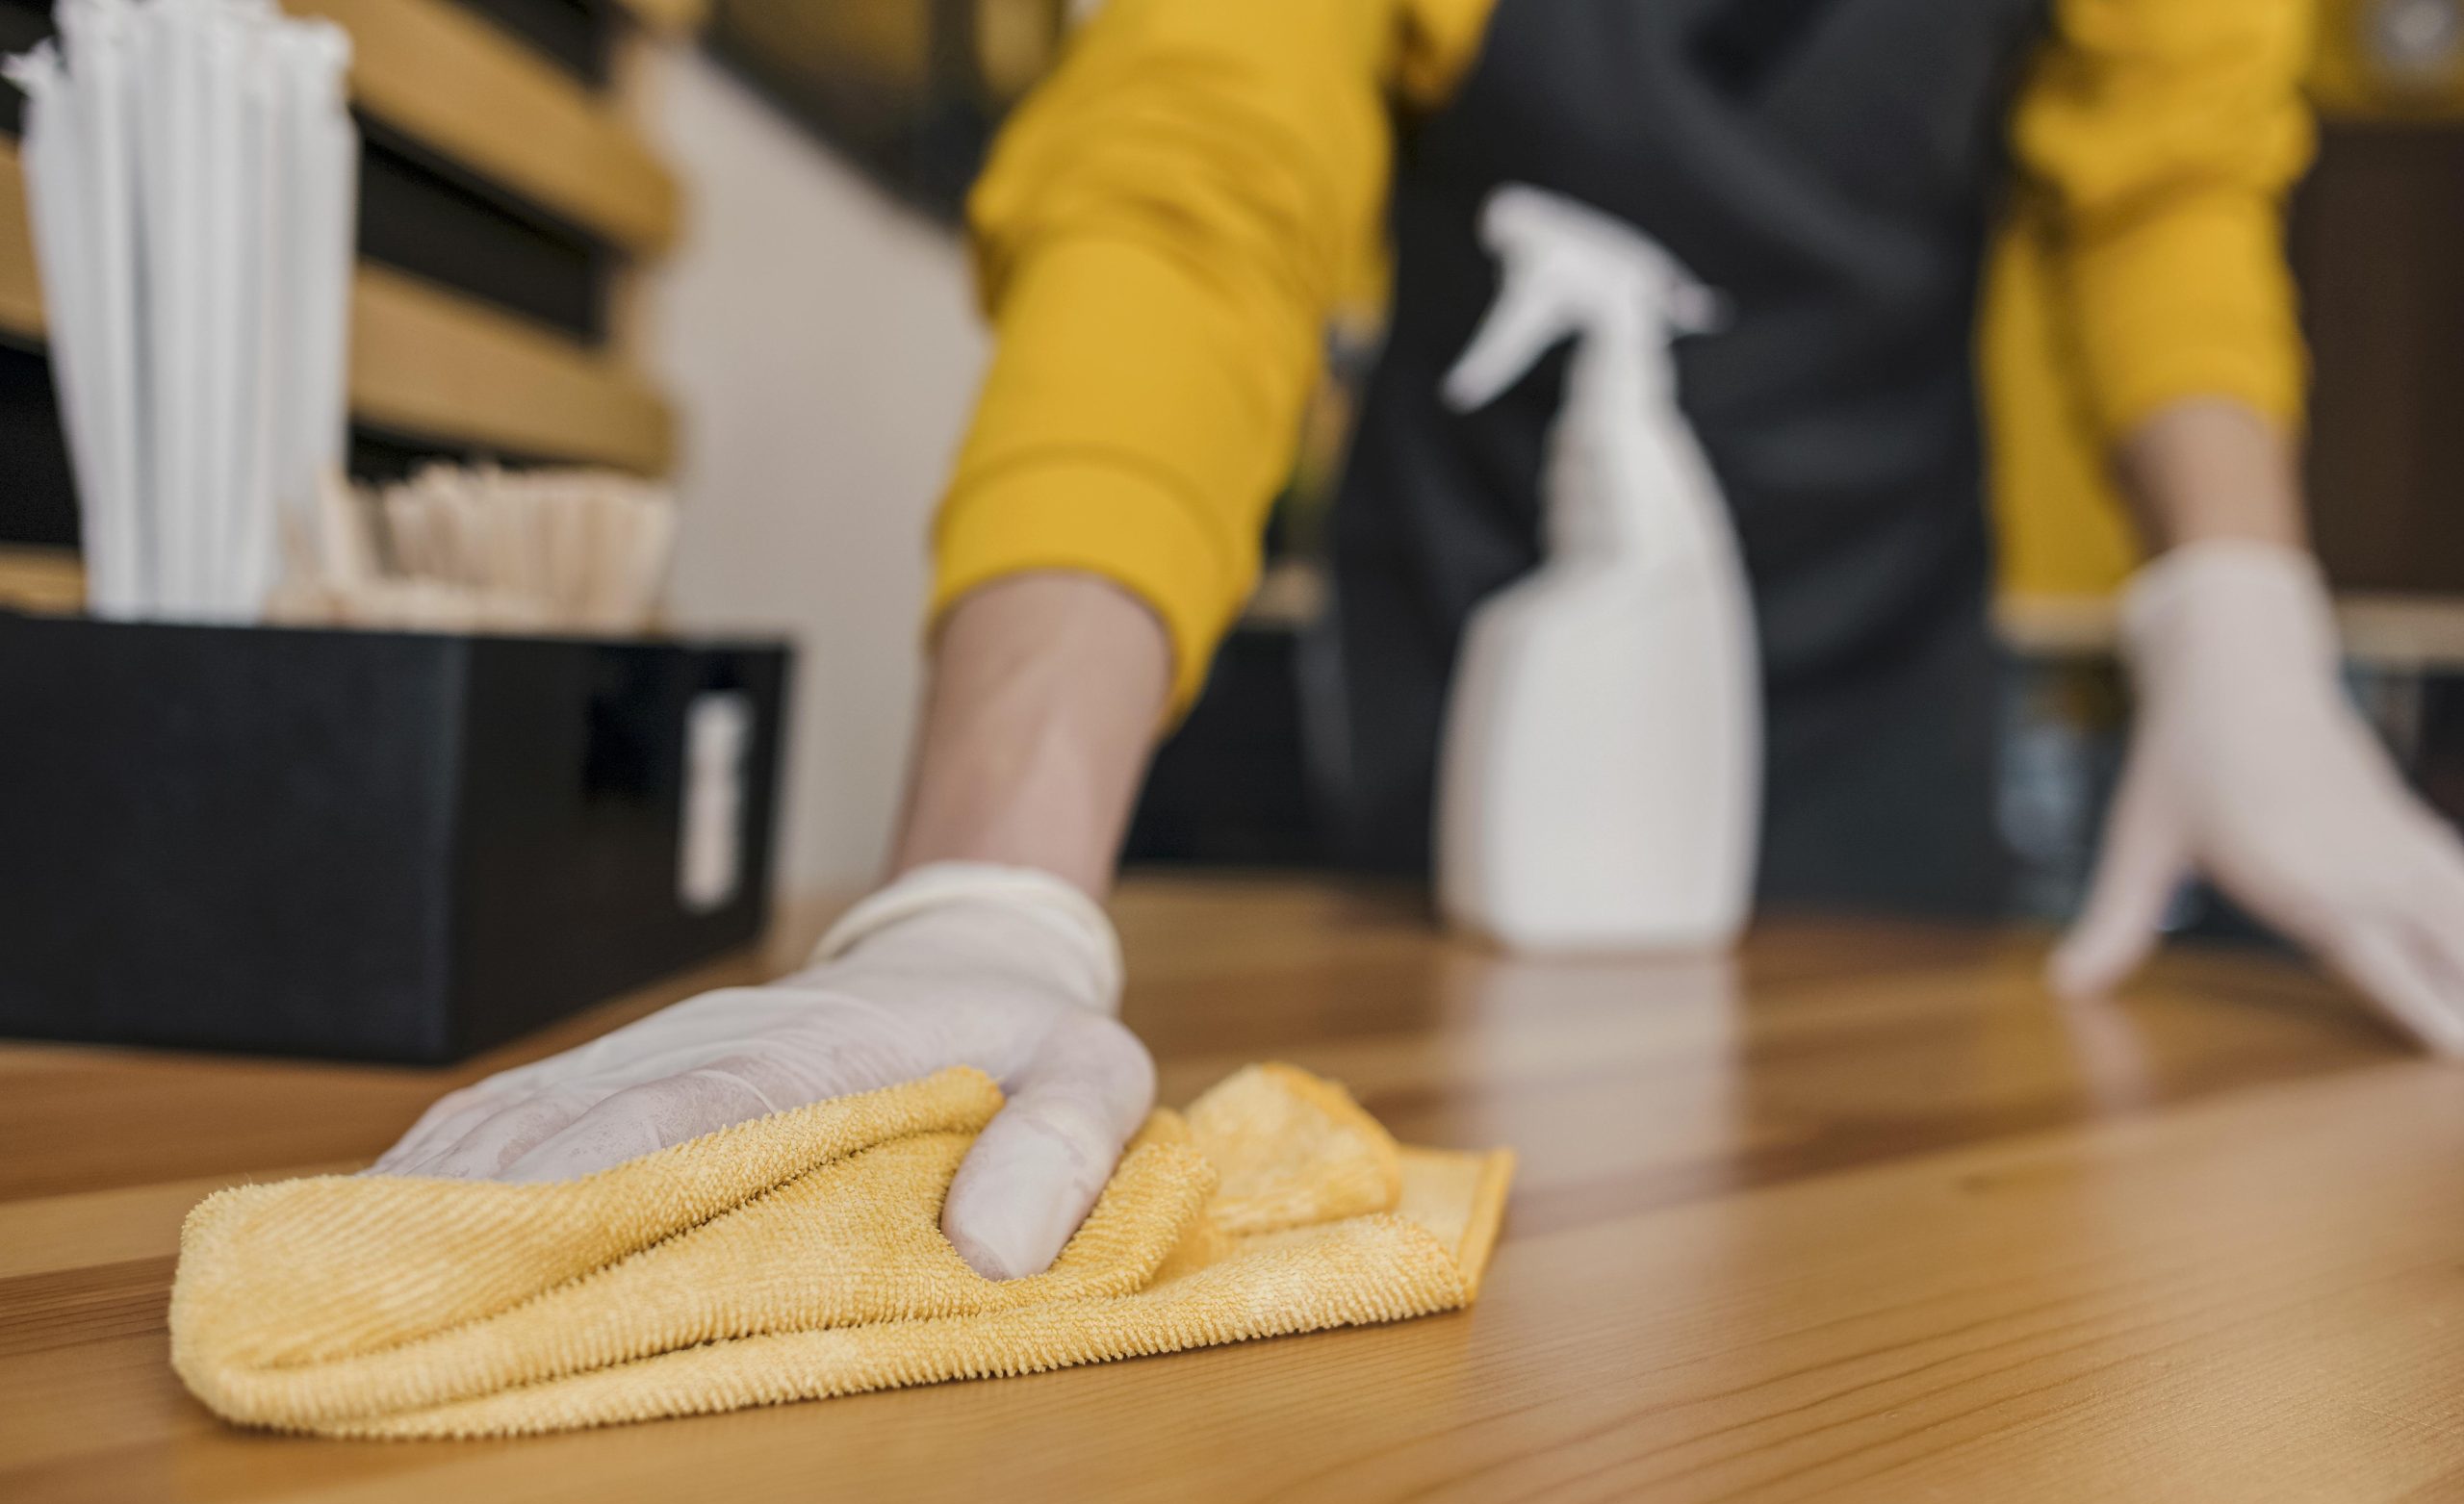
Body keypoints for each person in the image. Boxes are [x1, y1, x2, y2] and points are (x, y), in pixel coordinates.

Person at [373, 0, 2464, 1280]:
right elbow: (1187, 190)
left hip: (1869, 663)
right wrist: (988, 883)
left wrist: (2236, 606)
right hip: (1472, 651)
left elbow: (2164, 186)